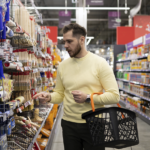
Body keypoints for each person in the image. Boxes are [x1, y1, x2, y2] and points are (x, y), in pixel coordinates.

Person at [33, 23, 120, 150]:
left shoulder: (100, 63)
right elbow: (60, 94)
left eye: (69, 41)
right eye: (64, 42)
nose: (66, 46)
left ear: (82, 40)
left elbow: (114, 96)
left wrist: (88, 97)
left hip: (94, 124)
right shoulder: (63, 66)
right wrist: (49, 97)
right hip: (69, 125)